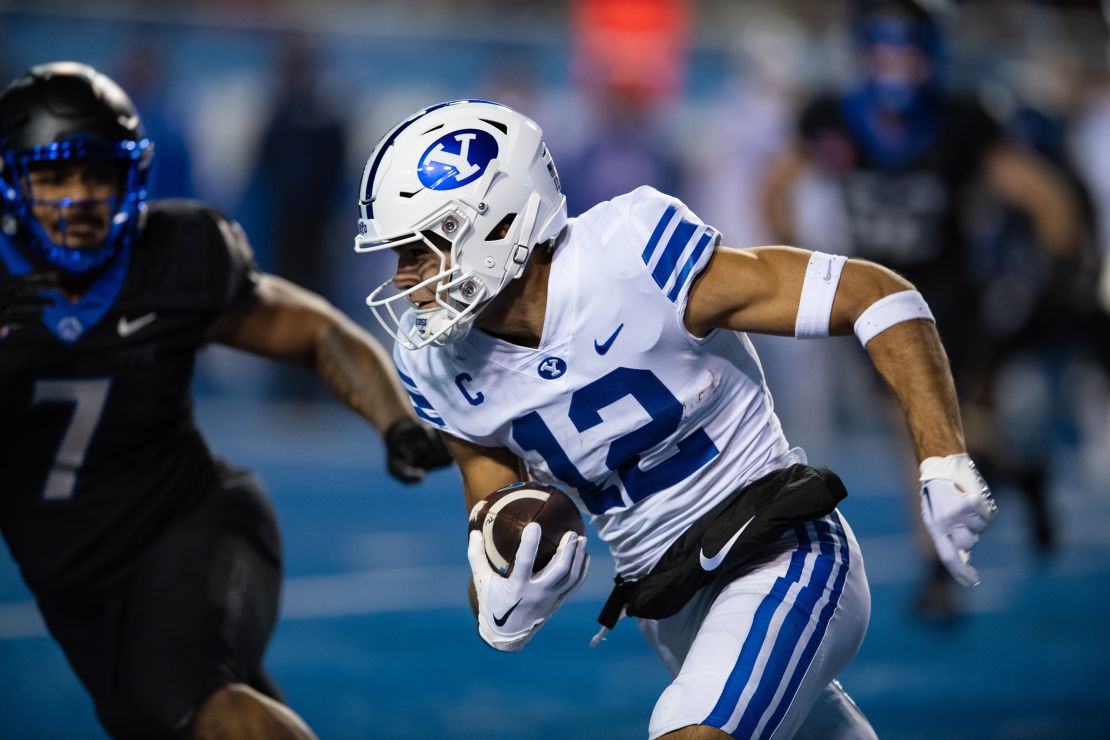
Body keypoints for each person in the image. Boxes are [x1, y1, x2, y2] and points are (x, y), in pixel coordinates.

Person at [352, 99, 997, 738]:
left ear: (501, 223)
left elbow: (876, 296)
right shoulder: (432, 360)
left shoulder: (632, 253)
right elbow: (494, 523)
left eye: (422, 249)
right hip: (668, 608)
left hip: (781, 553)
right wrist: (505, 591)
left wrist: (942, 455)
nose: (406, 281)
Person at [0, 62, 450, 740]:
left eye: (99, 174)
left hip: (192, 525)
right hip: (76, 585)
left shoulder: (172, 254)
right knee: (194, 717)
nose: (82, 197)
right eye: (56, 176)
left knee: (193, 702)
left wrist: (395, 419)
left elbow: (316, 332)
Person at [762, 0, 1084, 623]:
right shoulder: (834, 118)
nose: (897, 68)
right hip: (878, 296)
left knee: (967, 442)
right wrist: (805, 267)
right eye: (886, 52)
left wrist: (1060, 273)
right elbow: (778, 185)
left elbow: (1041, 195)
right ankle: (939, 564)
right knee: (915, 434)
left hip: (957, 299)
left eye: (907, 53)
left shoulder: (960, 120)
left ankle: (1017, 477)